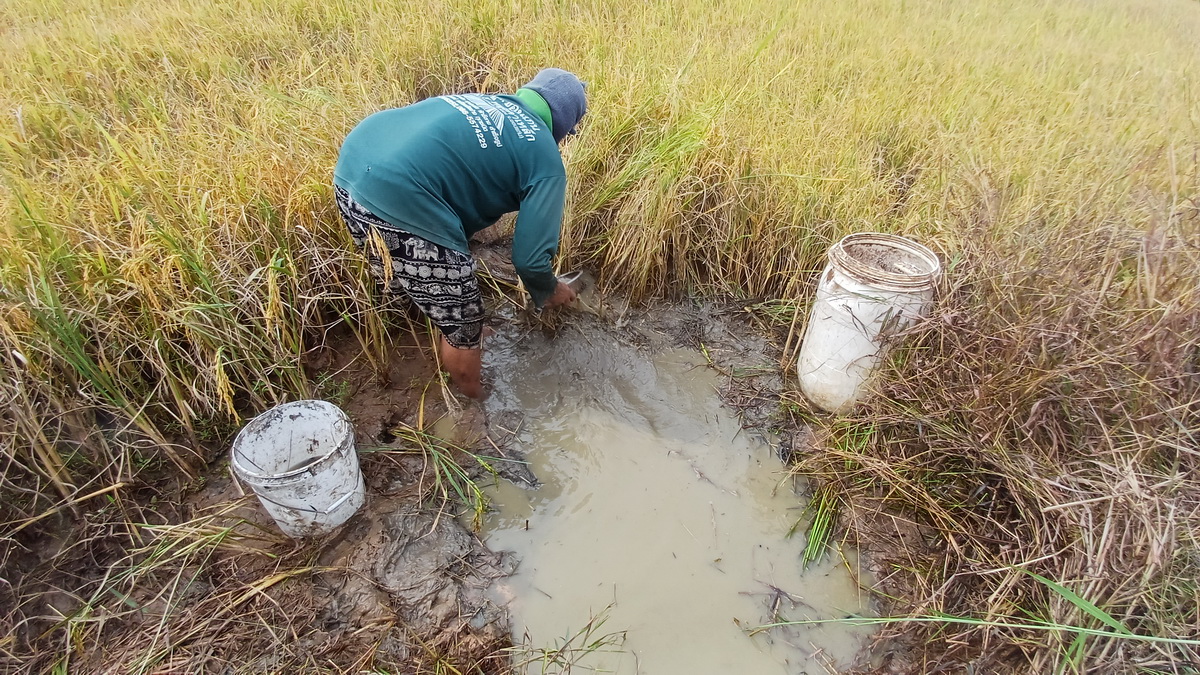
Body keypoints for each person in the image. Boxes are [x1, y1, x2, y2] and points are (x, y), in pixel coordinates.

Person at [333, 68, 587, 399]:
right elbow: (530, 261)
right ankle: (474, 401)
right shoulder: (544, 157)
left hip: (352, 166)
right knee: (464, 319)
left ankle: (426, 327)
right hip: (400, 192)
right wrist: (550, 290)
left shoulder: (486, 101)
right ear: (565, 127)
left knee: (415, 275)